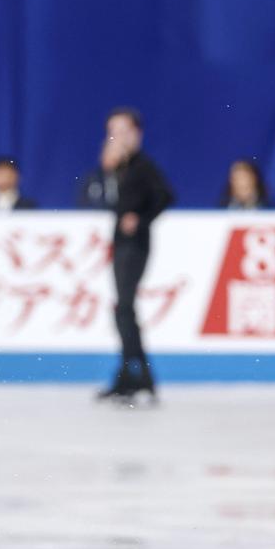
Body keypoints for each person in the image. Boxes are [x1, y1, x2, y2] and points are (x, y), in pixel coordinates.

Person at [97, 107, 174, 403]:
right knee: (122, 309)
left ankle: (136, 374)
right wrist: (108, 172)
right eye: (112, 131)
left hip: (135, 243)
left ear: (137, 134)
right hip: (120, 242)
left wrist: (140, 219)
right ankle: (135, 375)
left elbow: (166, 196)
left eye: (123, 131)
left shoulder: (142, 166)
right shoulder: (116, 167)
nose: (116, 137)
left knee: (125, 307)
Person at [78, 139, 121, 209]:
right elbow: (82, 204)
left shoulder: (126, 179)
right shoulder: (92, 179)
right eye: (109, 153)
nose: (113, 158)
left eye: (116, 154)